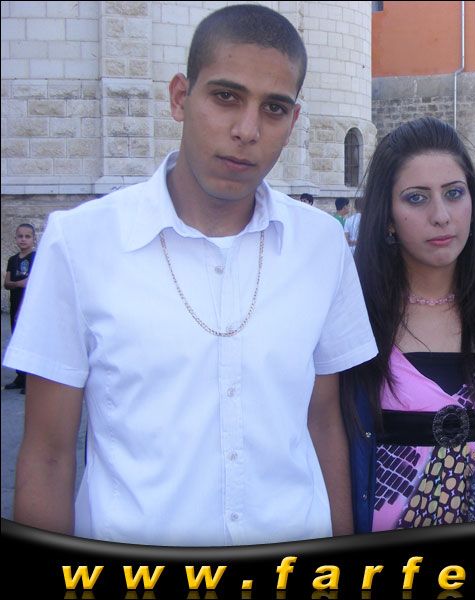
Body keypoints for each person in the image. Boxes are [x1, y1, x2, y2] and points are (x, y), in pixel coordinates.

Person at [3, 4, 377, 546]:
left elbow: (323, 422)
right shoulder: (80, 242)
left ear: (293, 122)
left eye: (273, 108)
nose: (247, 130)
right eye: (226, 96)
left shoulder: (321, 246)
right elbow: (47, 454)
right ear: (180, 97)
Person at [342, 117, 475, 533]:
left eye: (454, 193)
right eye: (416, 198)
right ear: (387, 217)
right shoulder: (350, 316)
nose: (441, 215)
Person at [3, 224, 37, 393]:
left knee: (29, 340)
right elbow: (7, 283)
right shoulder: (12, 260)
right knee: (16, 338)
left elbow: (34, 282)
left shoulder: (36, 258)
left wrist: (21, 284)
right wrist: (18, 284)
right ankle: (20, 376)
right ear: (16, 238)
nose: (23, 239)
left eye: (27, 236)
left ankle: (31, 379)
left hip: (29, 304)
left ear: (34, 239)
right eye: (20, 236)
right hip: (15, 303)